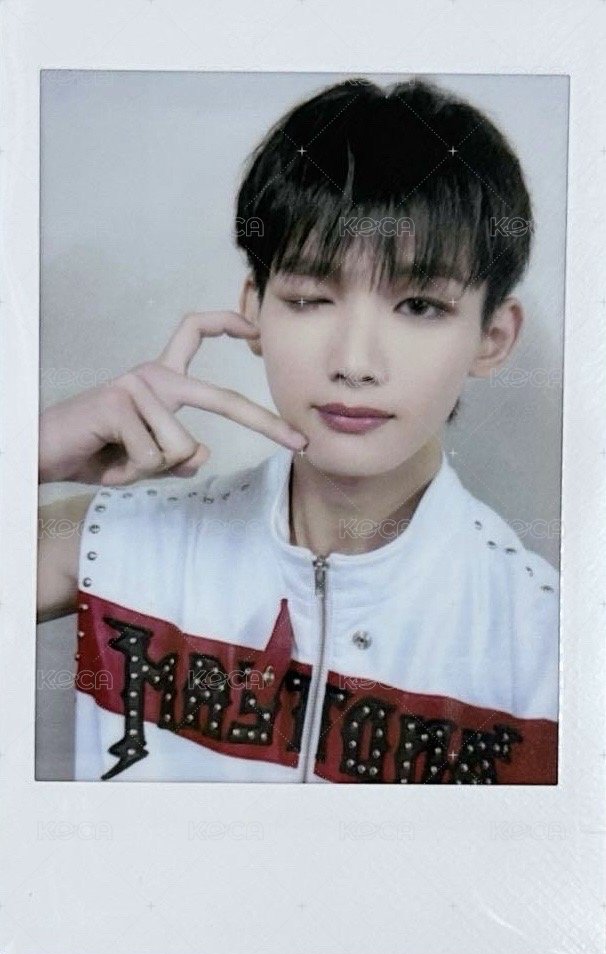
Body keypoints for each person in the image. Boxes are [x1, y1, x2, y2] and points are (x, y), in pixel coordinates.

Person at [37, 75, 559, 784]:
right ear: (254, 311)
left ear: (493, 338)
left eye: (419, 306)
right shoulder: (118, 540)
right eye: (311, 298)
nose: (354, 362)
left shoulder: (550, 642)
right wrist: (35, 449)